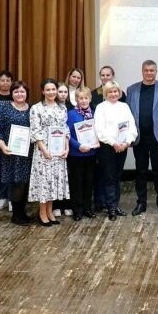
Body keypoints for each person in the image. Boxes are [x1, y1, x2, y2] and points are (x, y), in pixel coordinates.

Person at [127, 60, 158, 217]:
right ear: (142, 71)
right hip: (139, 138)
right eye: (146, 70)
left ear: (156, 71)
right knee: (140, 172)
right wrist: (128, 136)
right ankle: (141, 203)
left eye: (152, 70)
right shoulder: (132, 89)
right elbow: (127, 115)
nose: (149, 73)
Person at [28, 78, 70, 227]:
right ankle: (42, 213)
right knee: (44, 181)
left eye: (53, 89)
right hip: (43, 151)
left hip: (58, 151)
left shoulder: (62, 108)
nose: (51, 92)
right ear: (43, 91)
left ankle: (50, 211)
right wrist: (44, 149)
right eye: (48, 90)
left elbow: (65, 129)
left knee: (53, 181)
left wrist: (67, 148)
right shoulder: (36, 108)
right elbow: (35, 130)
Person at [94, 80, 137, 221]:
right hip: (107, 147)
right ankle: (111, 207)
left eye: (115, 91)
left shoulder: (124, 106)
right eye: (110, 92)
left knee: (117, 176)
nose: (113, 94)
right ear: (105, 93)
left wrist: (127, 142)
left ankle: (115, 205)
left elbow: (132, 127)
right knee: (109, 177)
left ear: (119, 93)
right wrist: (114, 143)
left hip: (122, 147)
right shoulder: (101, 107)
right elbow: (99, 130)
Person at [0, 81, 33, 226]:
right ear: (12, 93)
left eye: (22, 91)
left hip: (28, 154)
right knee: (16, 183)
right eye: (16, 91)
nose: (19, 94)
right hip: (10, 153)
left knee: (25, 183)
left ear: (27, 93)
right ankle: (16, 216)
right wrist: (3, 147)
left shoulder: (32, 110)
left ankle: (22, 213)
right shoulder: (4, 109)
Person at [66, 87, 100, 221]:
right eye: (81, 98)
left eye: (86, 98)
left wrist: (97, 142)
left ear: (90, 99)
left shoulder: (94, 113)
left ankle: (87, 208)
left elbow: (99, 131)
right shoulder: (71, 114)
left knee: (89, 182)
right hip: (76, 154)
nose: (84, 101)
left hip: (91, 153)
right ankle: (77, 210)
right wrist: (78, 146)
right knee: (77, 183)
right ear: (76, 100)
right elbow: (67, 134)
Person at [0, 70, 14, 211]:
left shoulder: (15, 95)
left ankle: (12, 198)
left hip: (14, 138)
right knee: (0, 169)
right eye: (2, 80)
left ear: (11, 82)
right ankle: (2, 197)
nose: (5, 83)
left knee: (12, 169)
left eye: (8, 80)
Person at [52, 81, 73, 216]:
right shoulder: (51, 106)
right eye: (60, 91)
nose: (63, 94)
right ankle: (56, 205)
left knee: (68, 176)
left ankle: (67, 204)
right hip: (54, 145)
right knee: (55, 177)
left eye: (65, 92)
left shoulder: (71, 107)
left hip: (69, 145)